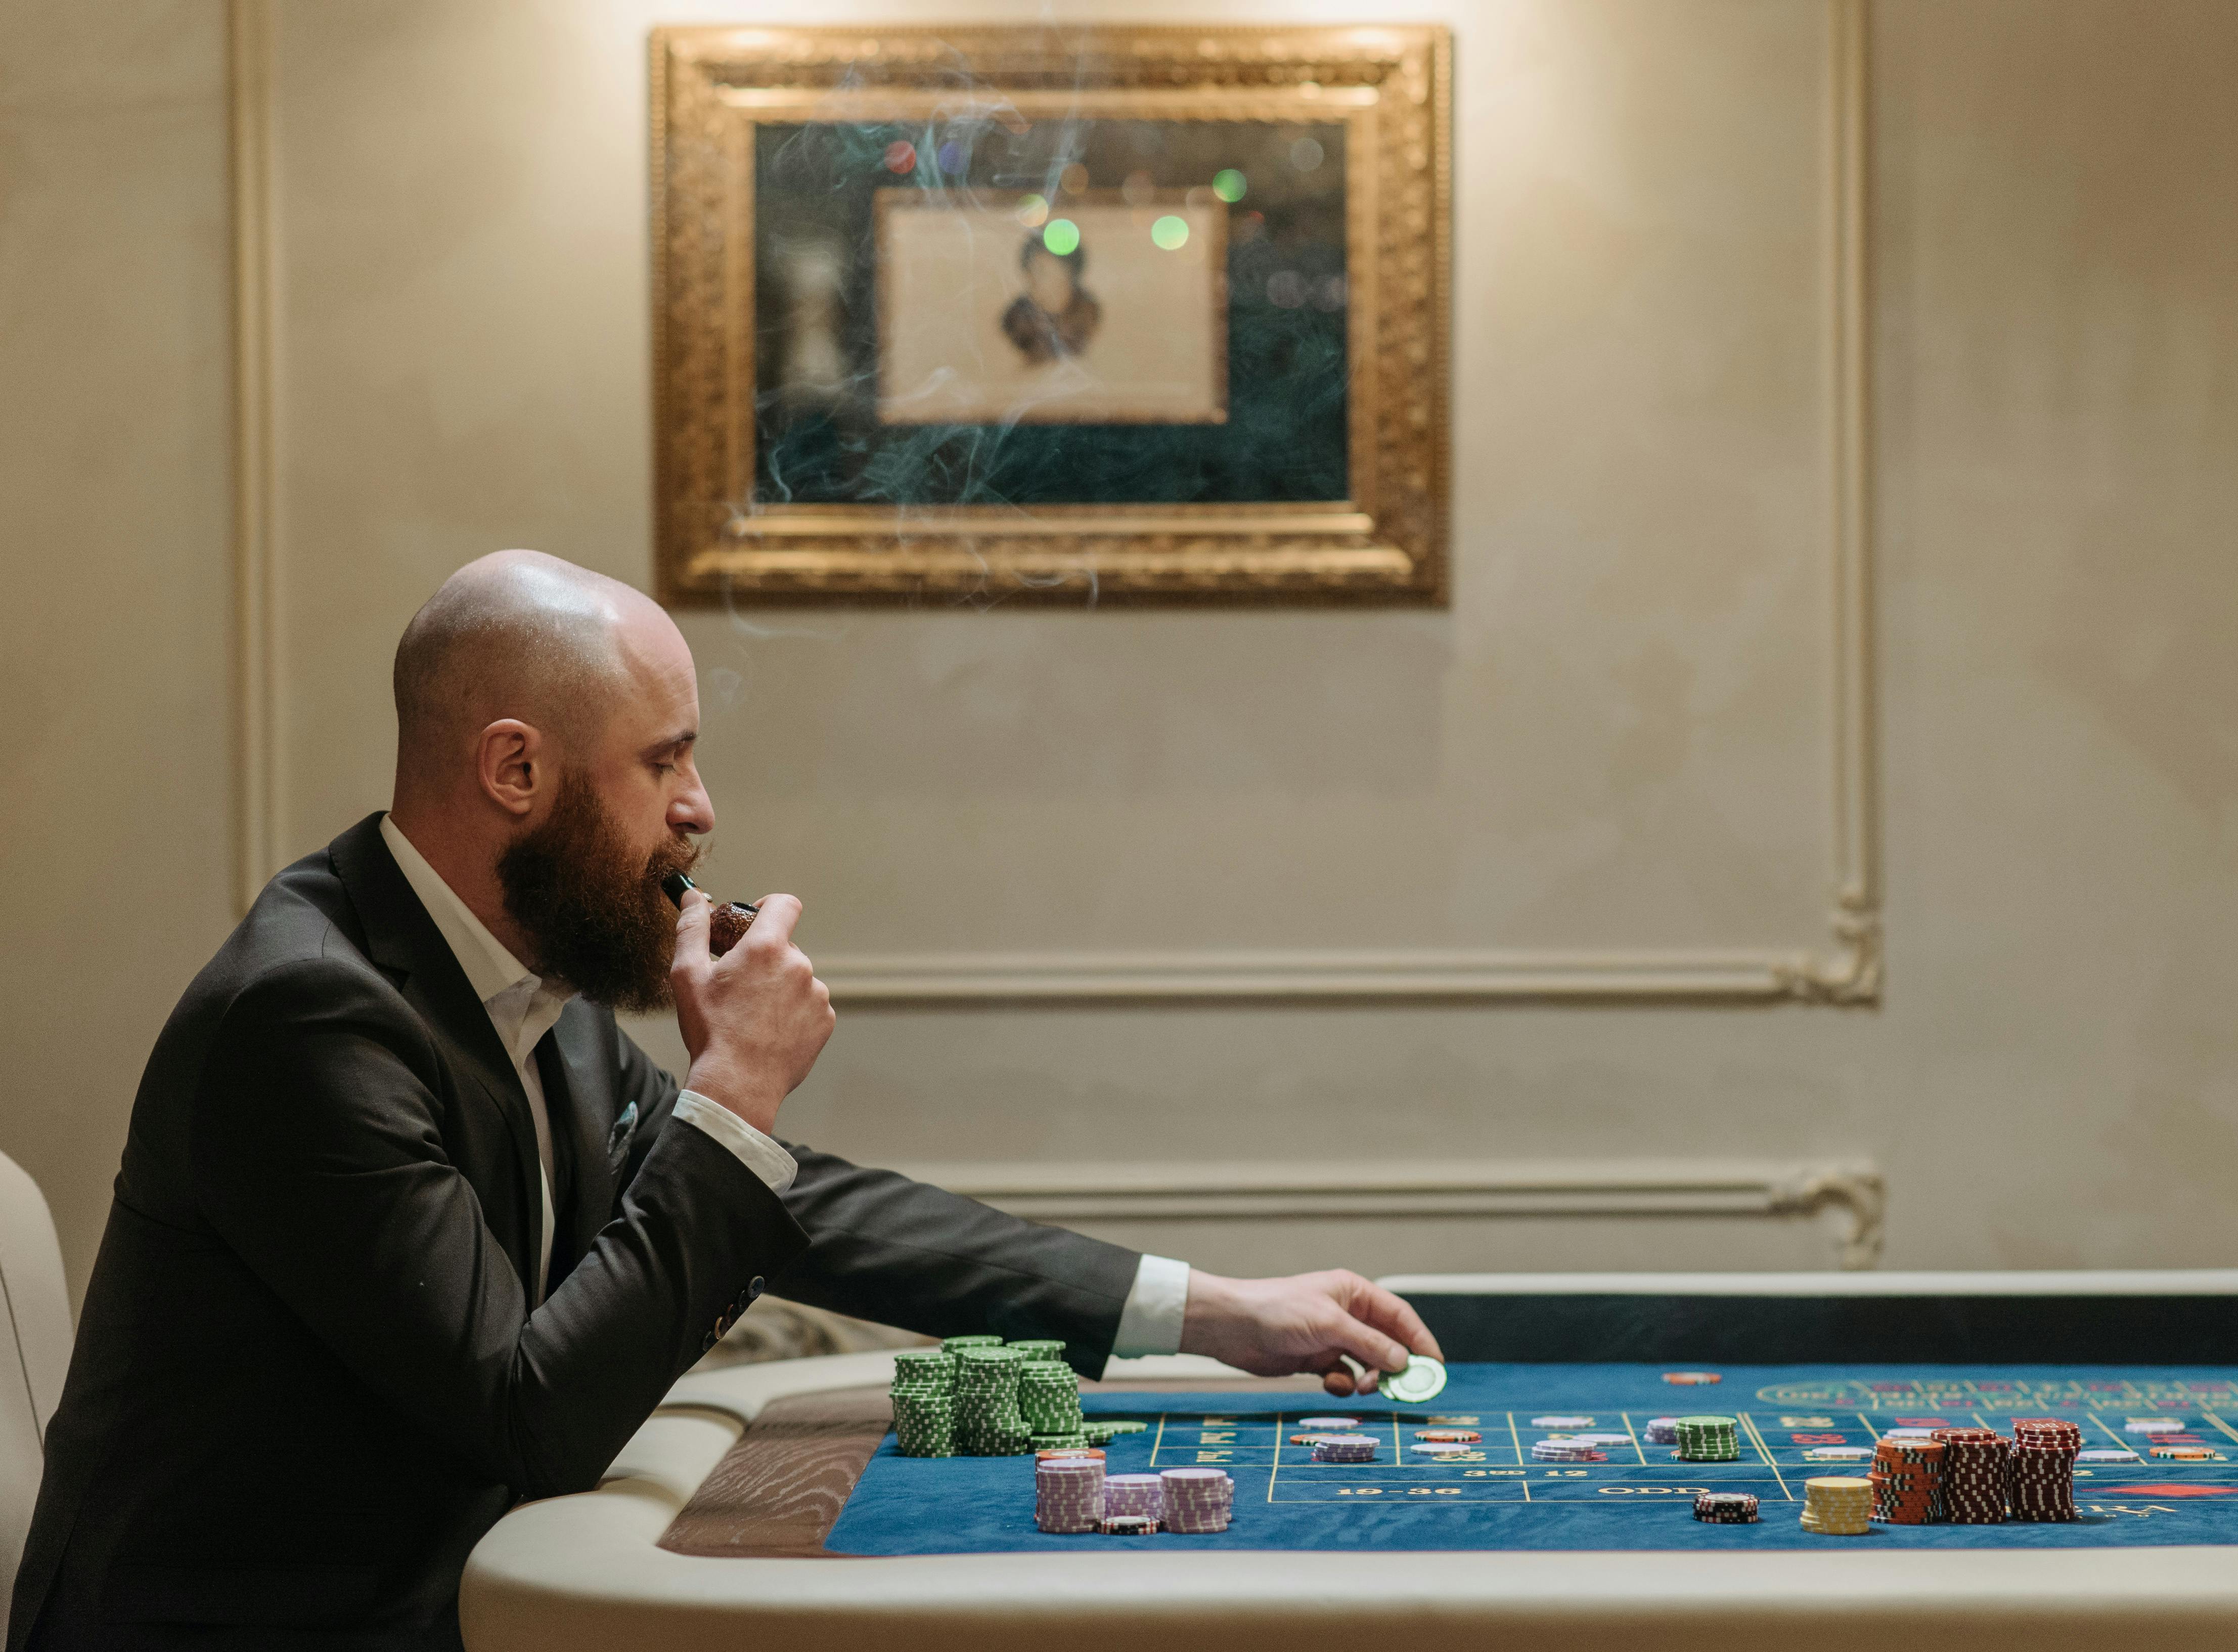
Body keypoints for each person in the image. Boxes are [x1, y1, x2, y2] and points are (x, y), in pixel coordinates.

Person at [10, 551, 1440, 1651]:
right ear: (514, 767)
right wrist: (733, 1086)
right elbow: (529, 1414)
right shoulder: (306, 1013)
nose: (700, 807)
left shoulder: (523, 985)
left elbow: (795, 1203)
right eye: (663, 760)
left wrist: (1212, 1310)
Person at [1000, 232, 1101, 363]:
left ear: (1068, 274)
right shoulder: (1016, 320)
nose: (1034, 280)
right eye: (1031, 271)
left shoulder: (1087, 314)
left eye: (1043, 272)